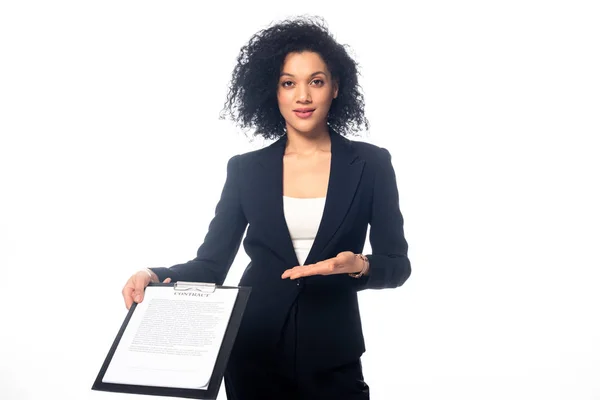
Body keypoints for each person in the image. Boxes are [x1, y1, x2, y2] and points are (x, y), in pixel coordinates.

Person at [121, 15, 411, 400]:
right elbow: (210, 265)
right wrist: (154, 274)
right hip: (251, 349)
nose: (302, 96)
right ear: (272, 91)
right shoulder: (245, 170)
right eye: (288, 83)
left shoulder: (371, 164)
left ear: (336, 87)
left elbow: (398, 264)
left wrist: (360, 266)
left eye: (316, 81)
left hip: (333, 353)